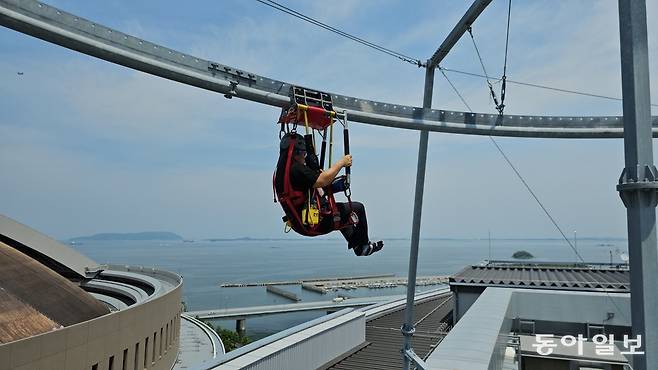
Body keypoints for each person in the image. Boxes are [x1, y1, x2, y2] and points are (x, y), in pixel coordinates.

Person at [275, 132, 383, 256]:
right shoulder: (296, 169)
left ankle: (358, 247)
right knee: (358, 208)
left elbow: (314, 187)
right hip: (314, 223)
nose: (304, 157)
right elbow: (322, 180)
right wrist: (342, 163)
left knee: (342, 214)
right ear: (296, 153)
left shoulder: (281, 172)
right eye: (304, 153)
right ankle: (363, 244)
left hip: (298, 222)